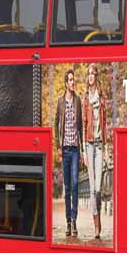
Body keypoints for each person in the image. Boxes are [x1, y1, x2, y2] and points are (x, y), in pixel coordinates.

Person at [54, 69, 83, 238]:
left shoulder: (78, 101)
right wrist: (58, 145)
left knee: (74, 185)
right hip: (65, 150)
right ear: (66, 83)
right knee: (67, 187)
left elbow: (80, 126)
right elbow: (56, 122)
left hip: (75, 150)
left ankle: (74, 219)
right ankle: (67, 222)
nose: (73, 82)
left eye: (74, 79)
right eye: (70, 80)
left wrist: (83, 148)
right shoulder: (60, 102)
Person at [82, 63, 108, 240]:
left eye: (93, 74)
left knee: (98, 188)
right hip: (89, 145)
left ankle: (98, 215)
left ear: (97, 77)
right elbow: (84, 124)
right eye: (89, 74)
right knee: (91, 188)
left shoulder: (101, 97)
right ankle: (96, 225)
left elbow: (104, 124)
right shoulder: (85, 98)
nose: (91, 76)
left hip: (99, 145)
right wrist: (83, 149)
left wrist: (106, 148)